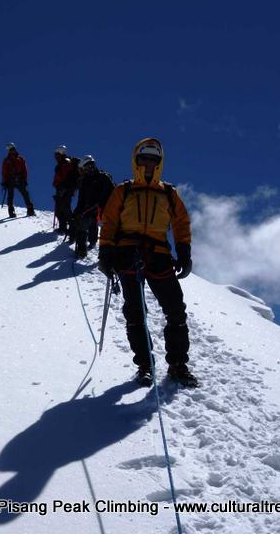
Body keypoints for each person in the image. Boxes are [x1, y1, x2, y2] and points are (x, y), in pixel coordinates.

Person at [97, 138, 197, 387]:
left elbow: (181, 223)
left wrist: (184, 252)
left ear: (160, 163)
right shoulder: (123, 190)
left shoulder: (169, 193)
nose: (149, 163)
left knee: (175, 311)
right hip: (127, 254)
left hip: (159, 255)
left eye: (154, 159)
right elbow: (109, 222)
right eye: (145, 158)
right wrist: (105, 253)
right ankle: (145, 365)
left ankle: (177, 364)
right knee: (135, 312)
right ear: (136, 160)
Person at [70, 155, 114, 259]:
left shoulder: (104, 177)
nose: (90, 168)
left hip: (103, 208)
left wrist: (101, 201)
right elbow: (81, 200)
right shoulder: (84, 182)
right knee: (83, 225)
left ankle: (95, 243)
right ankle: (81, 250)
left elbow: (112, 192)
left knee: (98, 225)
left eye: (91, 165)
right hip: (89, 208)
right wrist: (76, 213)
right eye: (87, 167)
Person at [1, 143, 35, 218]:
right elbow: (4, 172)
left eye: (12, 149)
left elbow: (24, 170)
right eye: (10, 149)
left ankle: (30, 209)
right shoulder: (7, 160)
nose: (11, 151)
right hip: (11, 179)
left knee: (25, 194)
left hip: (19, 179)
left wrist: (25, 179)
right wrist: (4, 181)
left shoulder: (20, 159)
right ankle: (12, 211)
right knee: (12, 195)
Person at [52, 146, 79, 233]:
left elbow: (69, 178)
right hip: (62, 188)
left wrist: (63, 187)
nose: (56, 158)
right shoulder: (60, 165)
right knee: (60, 208)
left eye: (57, 156)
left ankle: (72, 227)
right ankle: (63, 227)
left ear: (61, 154)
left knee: (64, 207)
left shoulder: (66, 163)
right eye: (56, 156)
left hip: (66, 189)